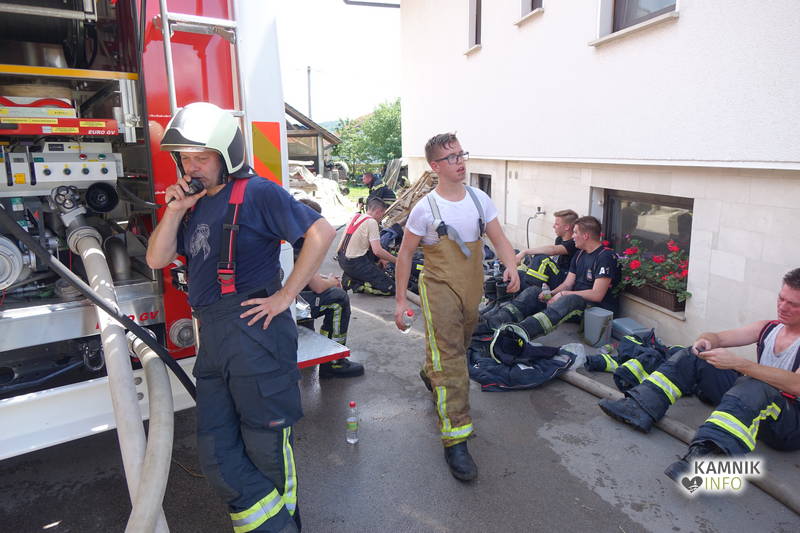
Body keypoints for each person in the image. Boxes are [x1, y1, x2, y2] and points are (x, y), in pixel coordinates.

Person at [146, 102, 335, 533]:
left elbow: (320, 232)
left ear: (226, 155)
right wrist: (174, 210)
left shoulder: (257, 193)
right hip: (214, 336)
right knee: (216, 455)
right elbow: (157, 259)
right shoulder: (194, 205)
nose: (192, 167)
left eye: (202, 158)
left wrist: (286, 295)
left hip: (256, 336)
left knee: (266, 452)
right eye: (186, 159)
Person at [393, 132, 520, 482]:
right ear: (435, 166)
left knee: (456, 348)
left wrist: (511, 265)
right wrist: (401, 300)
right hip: (438, 289)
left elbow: (499, 239)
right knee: (452, 360)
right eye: (451, 157)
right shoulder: (425, 209)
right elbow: (405, 254)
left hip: (471, 289)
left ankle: (431, 373)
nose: (460, 162)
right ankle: (456, 437)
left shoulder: (479, 200)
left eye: (461, 154)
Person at [599, 268, 800, 482]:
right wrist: (705, 341)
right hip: (757, 405)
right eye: (781, 298)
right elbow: (718, 338)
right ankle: (639, 408)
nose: (782, 307)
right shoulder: (768, 328)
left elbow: (796, 384)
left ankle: (707, 460)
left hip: (788, 425)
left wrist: (739, 364)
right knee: (696, 356)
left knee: (754, 384)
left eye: (793, 304)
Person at [480, 216, 619, 343]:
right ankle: (492, 323)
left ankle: (519, 334)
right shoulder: (579, 255)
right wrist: (551, 294)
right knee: (534, 292)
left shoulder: (605, 257)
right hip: (571, 301)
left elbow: (597, 294)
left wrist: (564, 294)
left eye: (575, 232)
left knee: (570, 299)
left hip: (592, 310)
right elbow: (567, 284)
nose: (573, 236)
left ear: (586, 236)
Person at [295, 198, 363, 378]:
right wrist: (332, 282)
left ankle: (307, 343)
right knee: (338, 299)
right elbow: (318, 287)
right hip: (287, 306)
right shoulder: (302, 246)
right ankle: (333, 363)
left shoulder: (288, 239)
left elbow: (306, 276)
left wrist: (325, 278)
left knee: (307, 295)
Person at [337, 197, 397, 295]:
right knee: (391, 288)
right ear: (378, 212)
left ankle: (353, 275)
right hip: (355, 263)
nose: (381, 218)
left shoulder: (356, 216)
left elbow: (370, 246)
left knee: (374, 257)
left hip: (342, 259)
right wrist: (396, 261)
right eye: (382, 215)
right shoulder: (372, 222)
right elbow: (377, 251)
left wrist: (380, 259)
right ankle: (355, 283)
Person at [514, 208, 579, 290]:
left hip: (564, 279)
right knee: (519, 274)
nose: (553, 226)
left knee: (541, 259)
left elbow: (554, 250)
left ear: (566, 227)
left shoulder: (574, 243)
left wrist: (525, 252)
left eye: (557, 224)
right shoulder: (559, 239)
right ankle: (529, 287)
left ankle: (533, 289)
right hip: (555, 274)